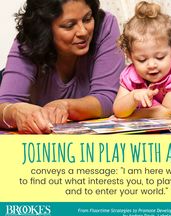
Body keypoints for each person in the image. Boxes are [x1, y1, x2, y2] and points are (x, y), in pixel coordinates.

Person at [0, 0, 125, 133]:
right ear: (45, 29)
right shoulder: (29, 41)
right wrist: (15, 112)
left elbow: (108, 98)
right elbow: (5, 103)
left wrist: (65, 106)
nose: (83, 31)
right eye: (69, 25)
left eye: (87, 19)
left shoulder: (105, 25)